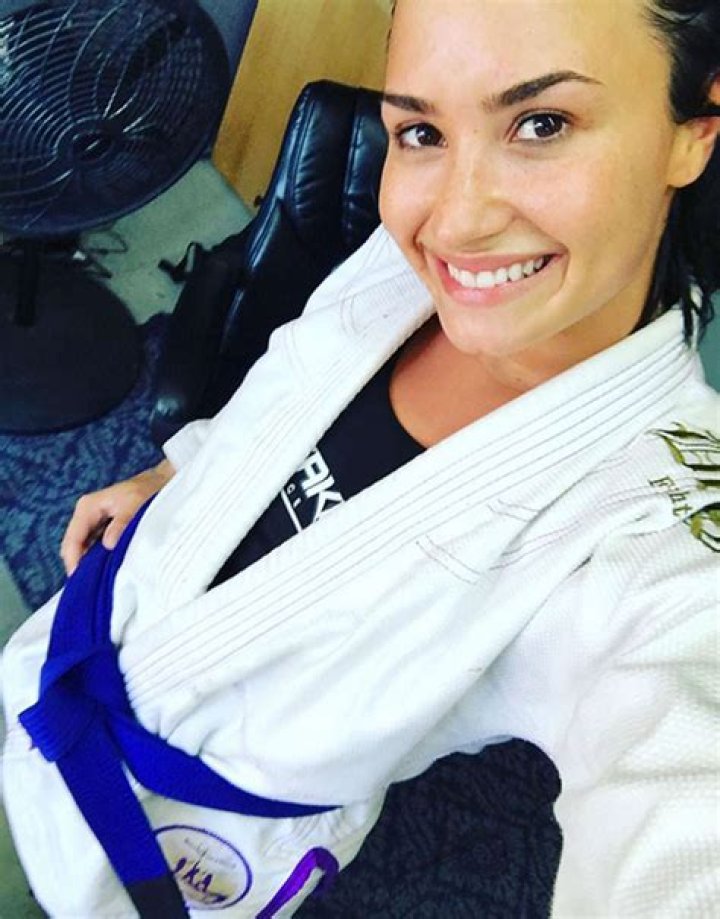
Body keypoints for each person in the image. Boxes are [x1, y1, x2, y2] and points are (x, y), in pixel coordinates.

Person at [3, 0, 719, 915]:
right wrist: (177, 472)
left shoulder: (655, 521)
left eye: (541, 123)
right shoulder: (406, 257)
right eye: (420, 131)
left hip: (187, 837)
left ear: (693, 130)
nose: (455, 220)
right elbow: (287, 375)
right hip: (80, 638)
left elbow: (683, 769)